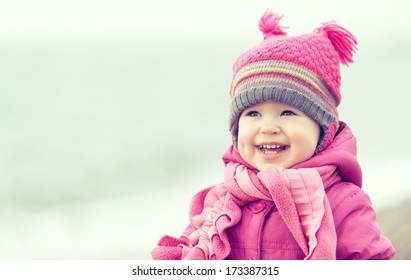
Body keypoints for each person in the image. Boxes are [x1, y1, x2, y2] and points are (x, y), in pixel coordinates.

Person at [151, 10, 395, 260]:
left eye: (287, 113)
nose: (268, 127)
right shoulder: (222, 201)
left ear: (324, 130)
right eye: (253, 114)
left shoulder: (342, 202)